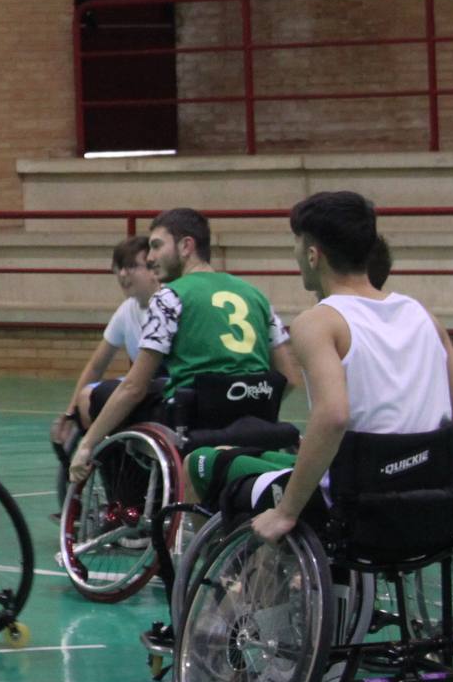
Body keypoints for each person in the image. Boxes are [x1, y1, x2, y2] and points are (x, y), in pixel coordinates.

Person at [181, 192, 453, 543]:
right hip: (425, 491)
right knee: (260, 457)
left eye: (296, 245)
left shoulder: (320, 322)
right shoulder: (424, 316)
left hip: (349, 500)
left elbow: (334, 416)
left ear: (313, 254)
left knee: (201, 462)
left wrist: (286, 512)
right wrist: (441, 491)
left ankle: (228, 588)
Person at [69, 207, 303, 489]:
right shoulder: (256, 295)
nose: (151, 257)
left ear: (186, 246)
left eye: (156, 246)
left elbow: (134, 388)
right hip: (256, 413)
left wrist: (87, 444)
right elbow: (289, 378)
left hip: (192, 416)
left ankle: (128, 501)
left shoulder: (170, 296)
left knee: (95, 397)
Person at [49, 237, 159, 504]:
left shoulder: (166, 305)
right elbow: (97, 364)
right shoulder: (127, 310)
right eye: (119, 267)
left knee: (95, 397)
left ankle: (127, 491)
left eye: (132, 266)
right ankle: (116, 488)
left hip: (164, 384)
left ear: (153, 268)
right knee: (86, 398)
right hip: (141, 385)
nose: (123, 274)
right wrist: (70, 411)